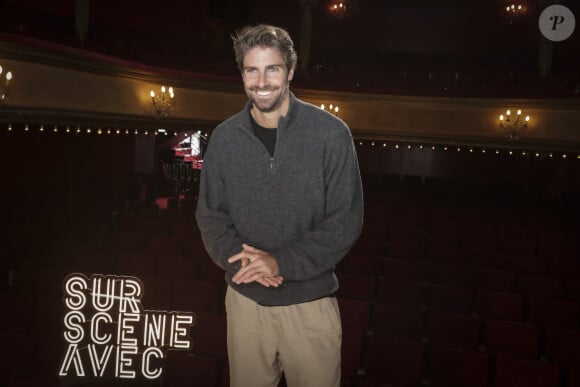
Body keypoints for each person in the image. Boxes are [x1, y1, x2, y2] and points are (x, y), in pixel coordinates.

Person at [195, 24, 364, 387]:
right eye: (251, 70)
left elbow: (344, 221)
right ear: (241, 74)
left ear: (289, 70)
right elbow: (211, 216)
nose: (262, 81)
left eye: (272, 68)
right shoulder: (224, 139)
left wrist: (280, 262)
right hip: (245, 304)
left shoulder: (331, 134)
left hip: (310, 305)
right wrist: (245, 263)